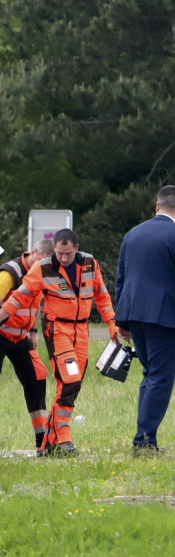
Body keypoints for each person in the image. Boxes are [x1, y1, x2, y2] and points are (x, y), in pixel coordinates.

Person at [0, 228, 117, 457]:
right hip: (57, 329)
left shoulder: (90, 264)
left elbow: (102, 294)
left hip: (81, 330)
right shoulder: (43, 267)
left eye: (67, 254)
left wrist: (111, 322)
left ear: (76, 249)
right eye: (59, 253)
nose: (63, 258)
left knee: (73, 383)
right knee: (69, 378)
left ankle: (50, 439)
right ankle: (63, 437)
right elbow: (18, 298)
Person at [0, 239, 54, 450]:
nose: (42, 267)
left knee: (37, 378)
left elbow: (34, 304)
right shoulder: (10, 273)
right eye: (41, 261)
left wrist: (32, 332)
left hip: (20, 337)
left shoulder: (44, 272)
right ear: (32, 252)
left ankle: (42, 440)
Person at [114, 186, 175, 453]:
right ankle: (144, 439)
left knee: (150, 374)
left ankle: (145, 436)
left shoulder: (133, 233)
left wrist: (122, 321)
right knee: (161, 377)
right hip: (163, 315)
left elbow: (121, 277)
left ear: (156, 206)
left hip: (133, 312)